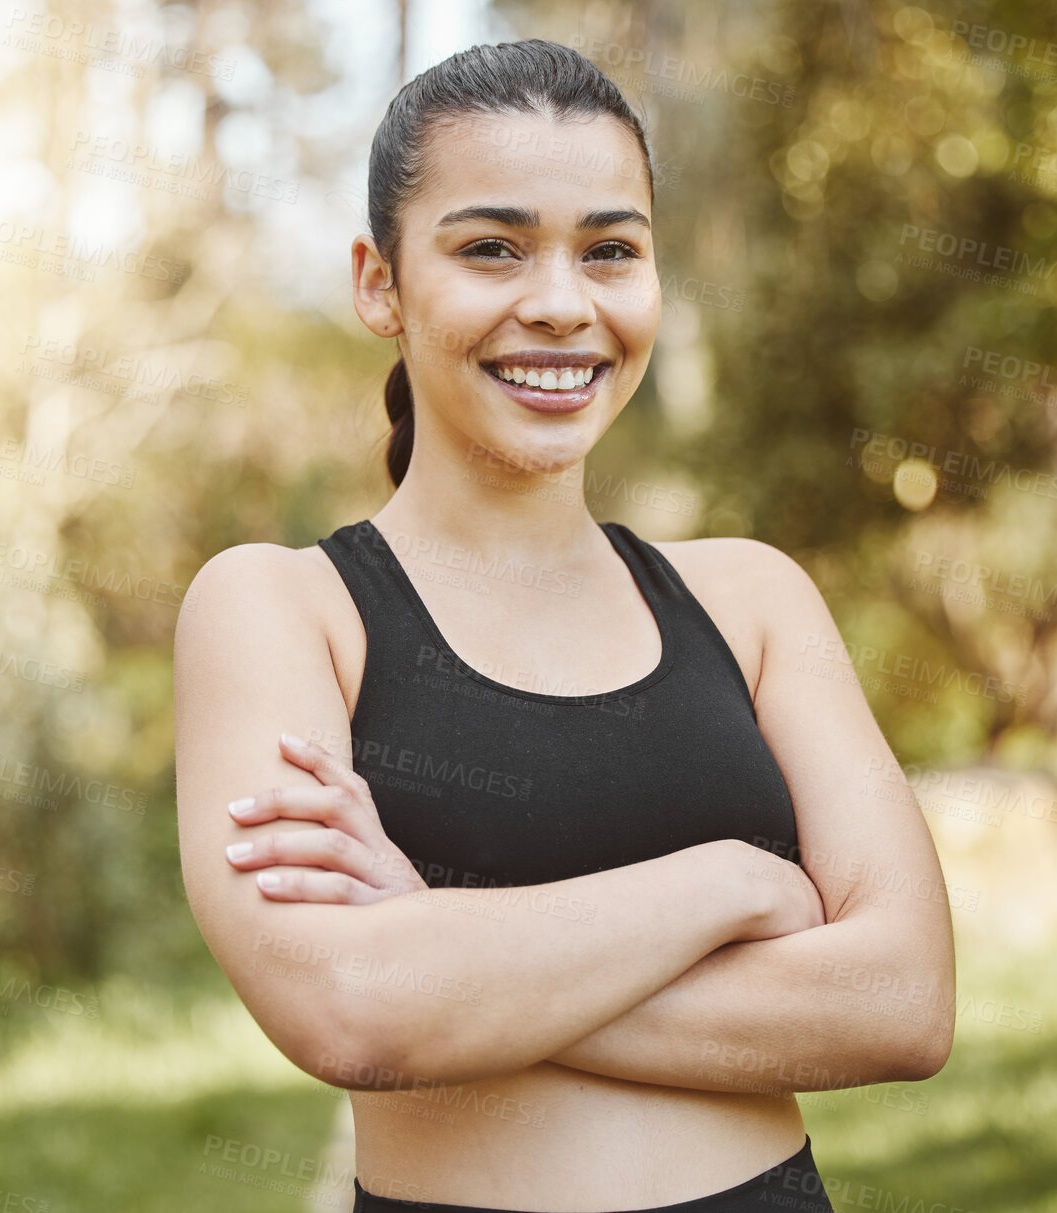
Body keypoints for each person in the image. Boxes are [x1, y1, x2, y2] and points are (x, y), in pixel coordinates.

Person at [174, 38, 955, 1213]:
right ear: (378, 282)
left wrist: (441, 948)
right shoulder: (281, 607)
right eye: (491, 247)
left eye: (609, 252)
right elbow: (351, 1010)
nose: (559, 304)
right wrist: (730, 887)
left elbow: (903, 1004)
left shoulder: (749, 601)